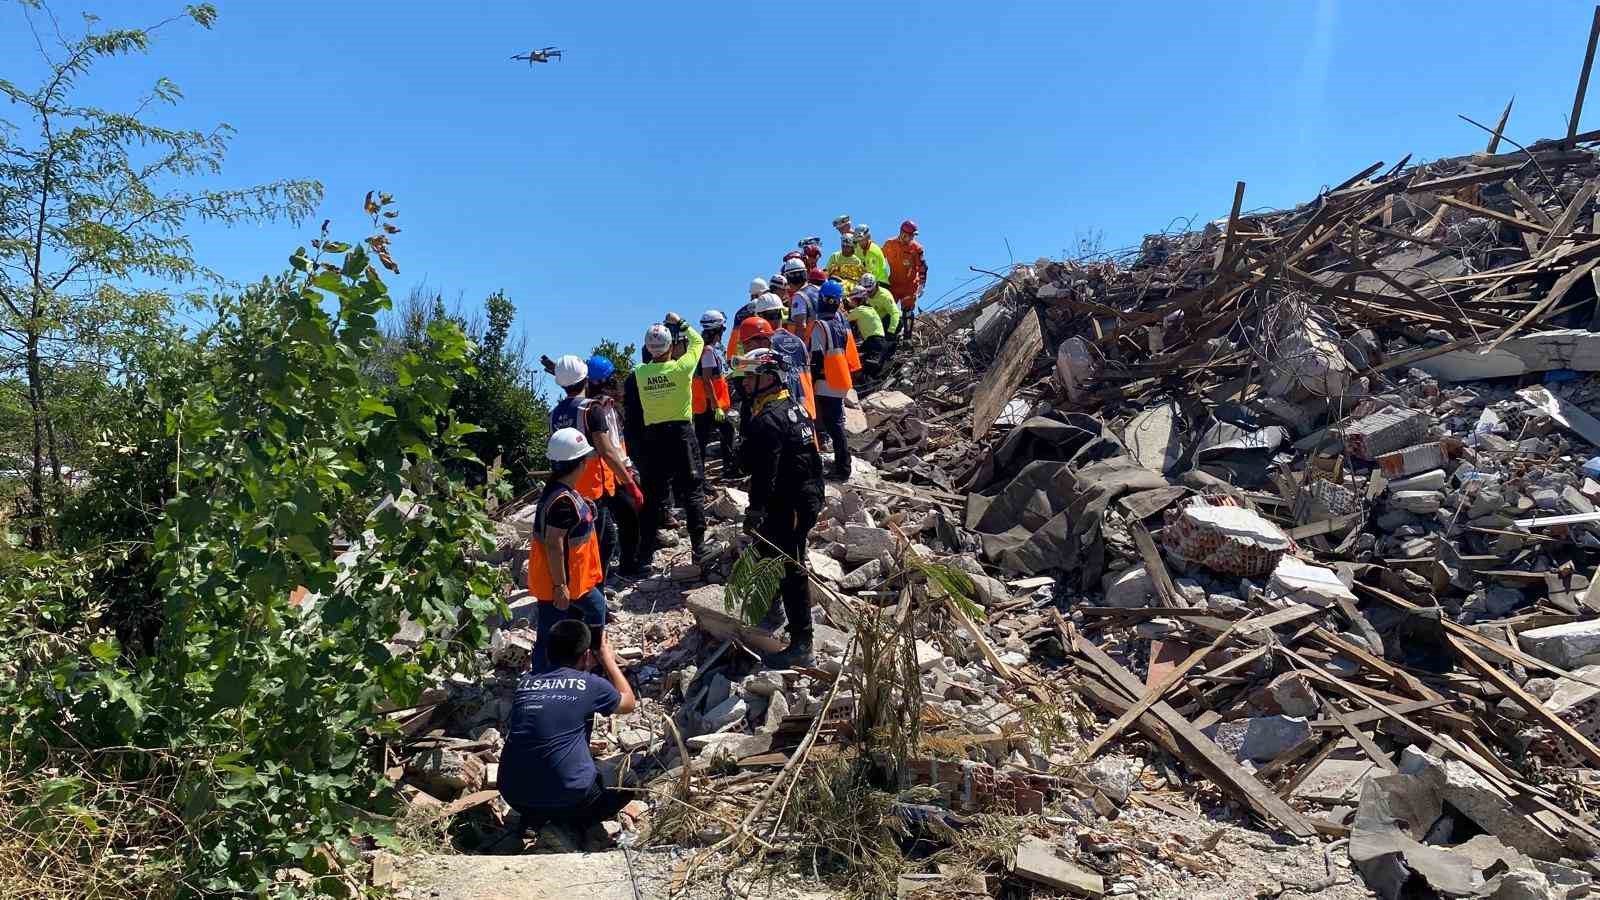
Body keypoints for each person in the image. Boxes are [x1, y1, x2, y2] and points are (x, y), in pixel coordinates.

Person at [499, 619, 638, 844]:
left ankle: (535, 820)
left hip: (515, 796)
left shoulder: (526, 683)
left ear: (548, 651)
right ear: (585, 656)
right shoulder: (590, 684)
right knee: (628, 779)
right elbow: (628, 703)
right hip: (567, 799)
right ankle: (570, 825)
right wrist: (608, 660)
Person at [735, 350, 825, 667]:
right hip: (802, 497)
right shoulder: (794, 409)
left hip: (791, 503)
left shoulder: (768, 420)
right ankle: (772, 607)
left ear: (768, 378)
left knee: (791, 567)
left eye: (749, 376)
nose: (744, 383)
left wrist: (754, 511)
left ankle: (803, 643)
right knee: (769, 553)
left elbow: (763, 473)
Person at [550, 355, 642, 579]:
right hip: (593, 490)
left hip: (570, 489)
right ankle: (589, 591)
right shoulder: (592, 410)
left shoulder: (554, 415)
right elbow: (607, 451)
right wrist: (630, 483)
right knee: (598, 542)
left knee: (603, 538)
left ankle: (590, 586)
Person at [527, 429, 610, 672]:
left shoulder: (564, 493)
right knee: (552, 633)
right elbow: (554, 544)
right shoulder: (562, 501)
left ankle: (580, 662)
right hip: (563, 582)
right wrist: (560, 587)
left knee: (562, 626)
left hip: (571, 580)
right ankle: (590, 660)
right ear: (580, 463)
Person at [636, 314, 711, 565]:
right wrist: (681, 323)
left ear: (647, 348)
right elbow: (698, 342)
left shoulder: (640, 373)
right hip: (681, 434)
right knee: (692, 490)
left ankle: (645, 555)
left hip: (653, 437)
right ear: (671, 346)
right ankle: (698, 548)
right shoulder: (681, 368)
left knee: (652, 495)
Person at [809, 281, 854, 480]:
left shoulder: (821, 326)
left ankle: (843, 468)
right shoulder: (841, 325)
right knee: (836, 425)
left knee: (834, 427)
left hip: (825, 382)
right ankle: (842, 465)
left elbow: (817, 358)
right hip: (840, 380)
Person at [753, 293, 816, 421]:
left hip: (783, 411)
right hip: (806, 407)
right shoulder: (798, 341)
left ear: (761, 317)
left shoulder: (766, 345)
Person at [693, 310, 740, 478]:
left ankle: (700, 475)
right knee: (726, 430)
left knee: (701, 439)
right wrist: (717, 406)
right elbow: (707, 380)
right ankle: (728, 469)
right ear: (717, 329)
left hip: (703, 404)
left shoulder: (700, 348)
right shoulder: (707, 351)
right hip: (710, 404)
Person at [883, 220, 927, 338]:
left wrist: (922, 284)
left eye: (913, 235)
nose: (912, 237)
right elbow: (879, 259)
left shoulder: (916, 248)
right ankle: (887, 336)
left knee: (907, 311)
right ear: (903, 233)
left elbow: (923, 266)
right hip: (893, 283)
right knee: (887, 310)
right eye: (910, 235)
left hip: (910, 285)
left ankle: (907, 338)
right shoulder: (889, 244)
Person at [846, 286, 888, 379]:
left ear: (858, 299)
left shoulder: (860, 310)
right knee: (872, 372)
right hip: (880, 342)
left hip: (873, 342)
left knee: (864, 372)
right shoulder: (871, 310)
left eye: (852, 299)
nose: (850, 302)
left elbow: (844, 320)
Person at [857, 273, 902, 355]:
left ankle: (891, 342)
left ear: (876, 285)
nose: (868, 293)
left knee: (882, 344)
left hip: (889, 322)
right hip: (876, 322)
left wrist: (891, 331)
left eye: (870, 290)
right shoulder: (862, 293)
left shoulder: (884, 295)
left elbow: (895, 313)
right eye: (865, 290)